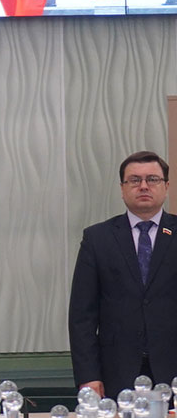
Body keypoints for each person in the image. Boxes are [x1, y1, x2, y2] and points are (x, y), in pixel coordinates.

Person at [69, 151, 177, 399]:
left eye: (152, 179)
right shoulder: (97, 239)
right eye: (134, 180)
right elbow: (82, 316)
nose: (144, 186)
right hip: (115, 372)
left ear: (166, 186)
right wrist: (88, 375)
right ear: (122, 188)